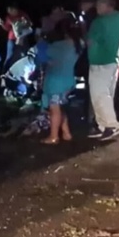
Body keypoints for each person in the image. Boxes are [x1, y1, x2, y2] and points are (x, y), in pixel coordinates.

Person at [86, 0, 119, 140]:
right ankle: (102, 126)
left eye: (100, 3)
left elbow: (89, 41)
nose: (97, 6)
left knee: (99, 95)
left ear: (108, 4)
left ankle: (111, 125)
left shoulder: (98, 22)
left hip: (99, 62)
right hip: (114, 61)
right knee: (106, 95)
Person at [41, 15, 83, 144]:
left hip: (55, 82)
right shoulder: (78, 44)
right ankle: (66, 133)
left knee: (54, 109)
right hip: (68, 81)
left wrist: (41, 41)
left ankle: (54, 136)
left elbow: (43, 58)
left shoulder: (57, 46)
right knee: (59, 108)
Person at [1, 4, 33, 68]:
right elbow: (7, 28)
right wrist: (2, 24)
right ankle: (5, 71)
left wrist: (26, 22)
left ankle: (26, 70)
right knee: (10, 55)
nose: (10, 12)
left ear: (15, 9)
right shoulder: (8, 17)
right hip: (12, 38)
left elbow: (30, 24)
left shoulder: (23, 14)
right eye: (8, 11)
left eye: (11, 10)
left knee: (25, 54)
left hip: (22, 37)